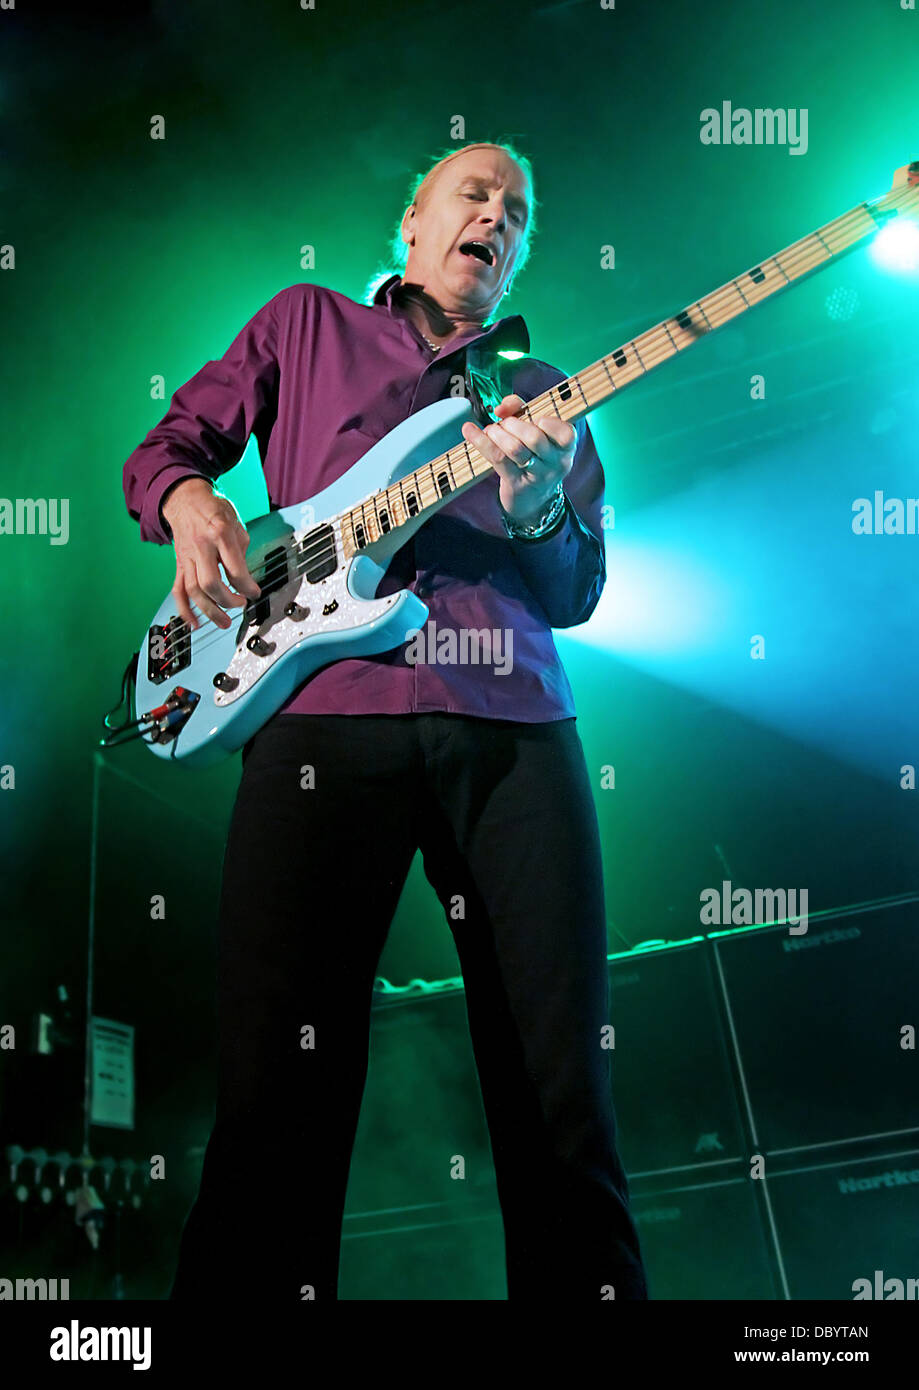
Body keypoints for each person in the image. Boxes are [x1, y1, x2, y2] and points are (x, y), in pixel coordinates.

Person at [123, 140, 648, 1301]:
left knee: (559, 1094)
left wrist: (534, 505)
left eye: (519, 212)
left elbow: (573, 592)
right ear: (412, 222)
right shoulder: (305, 324)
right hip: (322, 716)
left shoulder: (541, 389)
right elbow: (168, 444)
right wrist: (188, 496)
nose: (498, 219)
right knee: (277, 1092)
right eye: (476, 195)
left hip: (511, 724)